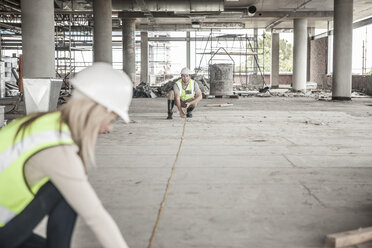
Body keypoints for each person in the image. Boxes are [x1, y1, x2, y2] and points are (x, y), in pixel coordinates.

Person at [0, 62, 133, 248]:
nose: (109, 129)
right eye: (112, 119)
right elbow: (95, 216)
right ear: (97, 110)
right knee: (70, 188)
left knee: (64, 188)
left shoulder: (44, 124)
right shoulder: (58, 150)